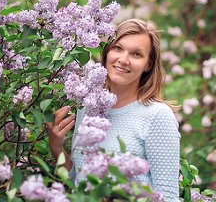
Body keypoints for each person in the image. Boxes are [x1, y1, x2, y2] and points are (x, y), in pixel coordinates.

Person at [47, 18, 180, 201]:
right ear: (108, 51)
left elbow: (167, 197)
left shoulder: (157, 116)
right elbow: (77, 183)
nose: (123, 60)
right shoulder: (88, 107)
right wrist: (56, 147)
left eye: (136, 54)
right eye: (118, 48)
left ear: (148, 64)